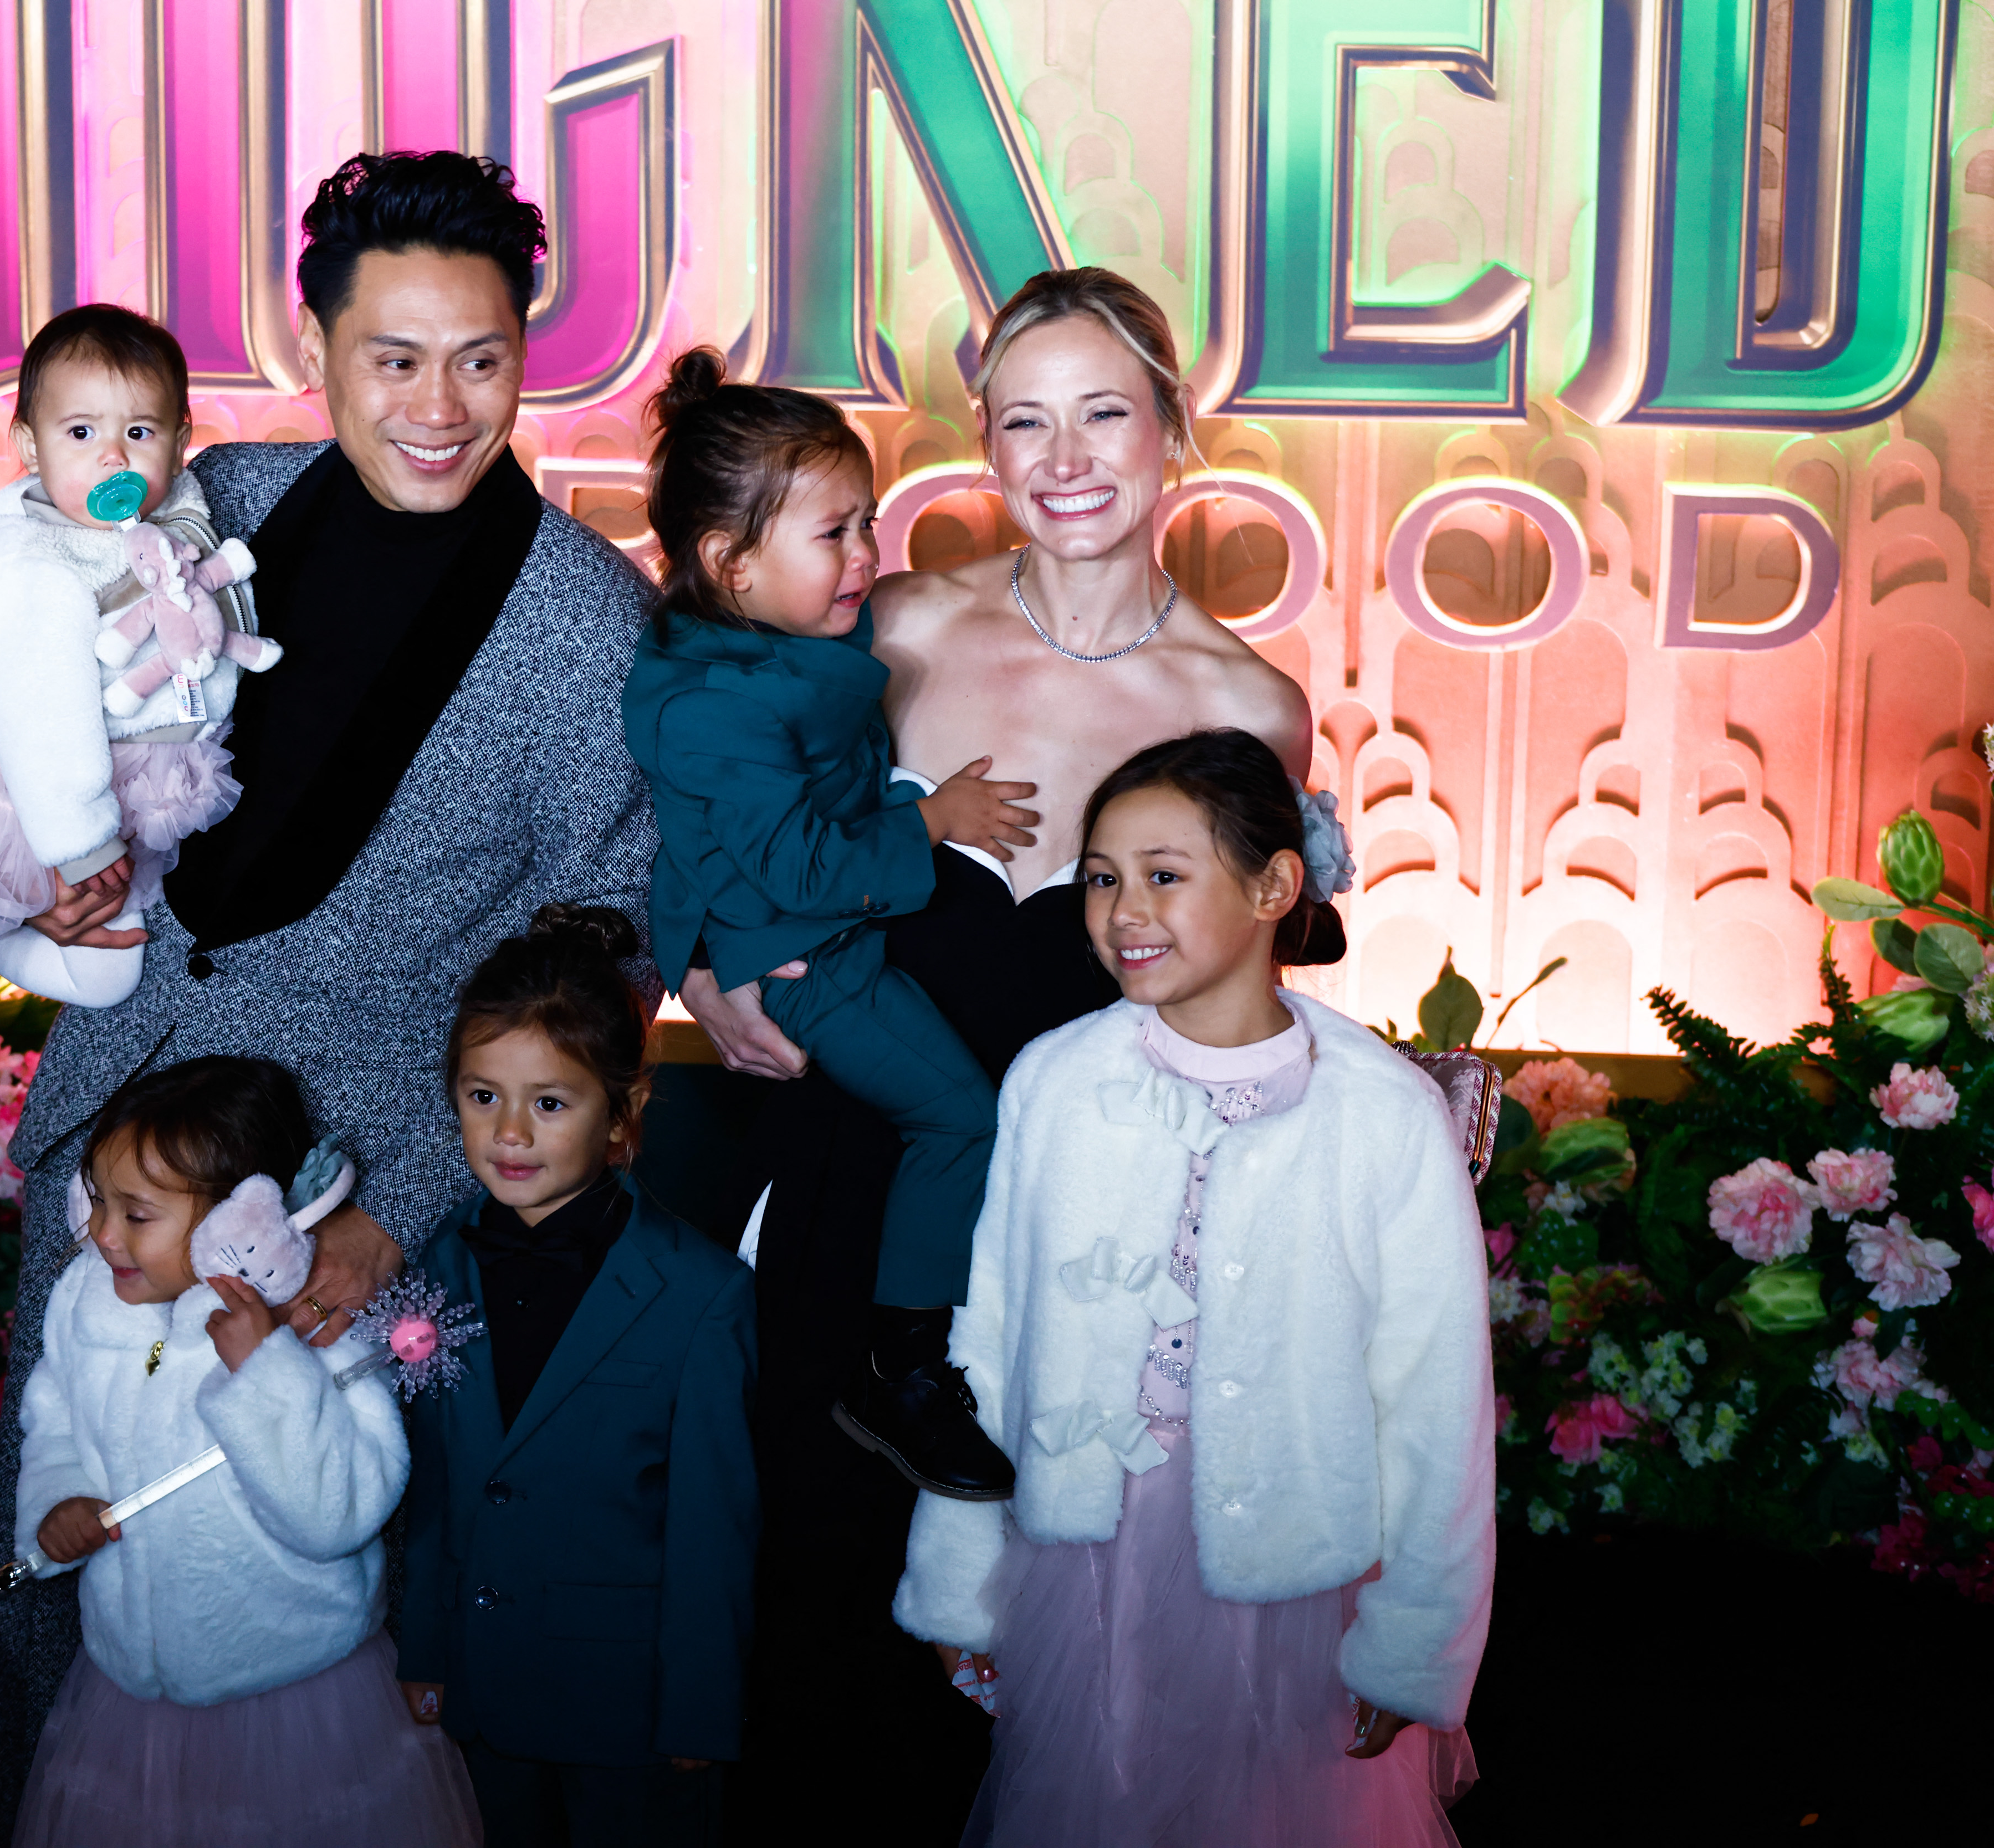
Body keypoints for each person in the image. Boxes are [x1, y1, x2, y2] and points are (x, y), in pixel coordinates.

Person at [0, 153, 671, 1843]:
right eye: (393, 358)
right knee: (61, 1557)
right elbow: (39, 720)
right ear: (315, 344)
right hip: (116, 1125)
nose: (439, 405)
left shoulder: (585, 619)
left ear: (527, 353)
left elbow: (602, 967)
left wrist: (406, 1209)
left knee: (303, 1592)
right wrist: (32, 877)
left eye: (481, 358)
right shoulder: (216, 496)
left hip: (340, 1182)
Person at [724, 267, 1322, 1840]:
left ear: (1178, 430)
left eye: (1105, 412)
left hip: (1092, 1243)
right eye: (1025, 420)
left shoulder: (1248, 707)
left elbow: (1231, 1001)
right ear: (982, 443)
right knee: (824, 1600)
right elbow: (748, 819)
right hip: (859, 1192)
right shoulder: (907, 622)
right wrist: (716, 964)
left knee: (1049, 1643)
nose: (1067, 458)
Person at [895, 729, 1491, 1847]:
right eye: (1103, 877)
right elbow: (990, 1337)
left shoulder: (1381, 1112)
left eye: (1165, 875)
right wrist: (959, 1573)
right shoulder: (1056, 1080)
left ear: (1273, 884)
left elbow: (1435, 1395)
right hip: (1088, 1561)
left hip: (1301, 1565)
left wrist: (1416, 1635)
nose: (1125, 909)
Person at [621, 348, 1033, 1502]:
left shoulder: (760, 651)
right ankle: (900, 1363)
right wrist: (933, 819)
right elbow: (795, 858)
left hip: (799, 929)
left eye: (869, 524)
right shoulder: (719, 702)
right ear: (729, 562)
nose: (867, 557)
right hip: (806, 957)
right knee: (961, 1117)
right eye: (835, 535)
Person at [8, 1054, 479, 1846]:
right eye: (98, 1199)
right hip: (128, 1693)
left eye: (136, 1213)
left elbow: (339, 1511)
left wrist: (267, 1372)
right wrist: (57, 1502)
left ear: (240, 1226)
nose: (100, 1233)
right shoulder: (88, 1303)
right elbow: (55, 1418)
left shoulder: (308, 1329)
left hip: (297, 1702)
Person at [396, 905, 758, 1847]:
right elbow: (434, 1480)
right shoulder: (432, 1266)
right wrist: (424, 1648)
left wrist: (699, 1711)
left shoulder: (700, 1293)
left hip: (625, 1706)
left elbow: (714, 1524)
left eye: (549, 1104)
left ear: (624, 1114)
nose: (510, 1134)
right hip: (477, 1686)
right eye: (483, 1097)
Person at [0, 304, 262, 1017]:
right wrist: (77, 839)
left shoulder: (173, 513)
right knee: (109, 975)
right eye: (80, 433)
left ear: (179, 443)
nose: (114, 457)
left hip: (151, 777)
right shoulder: (30, 557)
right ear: (30, 444)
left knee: (125, 947)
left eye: (139, 432)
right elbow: (40, 707)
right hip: (52, 792)